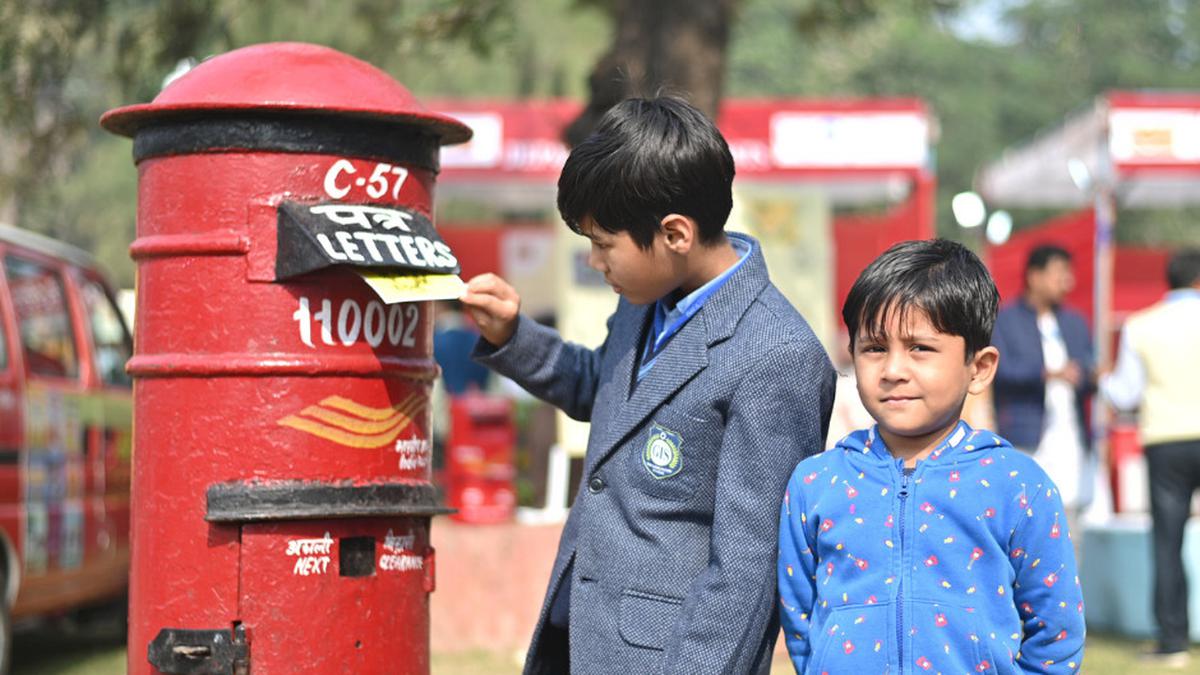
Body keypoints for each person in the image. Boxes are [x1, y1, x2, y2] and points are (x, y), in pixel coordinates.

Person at [461, 96, 835, 675]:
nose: (594, 261)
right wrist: (514, 335)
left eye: (604, 244)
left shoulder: (775, 356)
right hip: (581, 634)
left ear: (676, 234)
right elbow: (605, 392)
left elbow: (747, 566)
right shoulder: (647, 302)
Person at [779, 240, 1086, 674]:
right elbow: (801, 622)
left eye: (920, 348)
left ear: (978, 368)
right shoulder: (815, 483)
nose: (893, 370)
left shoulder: (1018, 485)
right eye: (874, 348)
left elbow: (1057, 632)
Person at [1101, 249, 1200, 668]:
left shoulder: (1141, 325)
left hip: (1166, 439)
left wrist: (1101, 381)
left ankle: (1173, 640)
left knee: (1167, 542)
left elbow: (1124, 393)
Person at [991, 245, 1094, 527]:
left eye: (1068, 274)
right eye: (1059, 274)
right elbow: (999, 370)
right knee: (1025, 513)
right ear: (1034, 276)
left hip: (1070, 435)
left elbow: (1086, 369)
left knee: (1070, 513)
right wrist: (1045, 375)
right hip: (1026, 432)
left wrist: (1089, 375)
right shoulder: (1006, 321)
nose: (1067, 281)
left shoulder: (1074, 322)